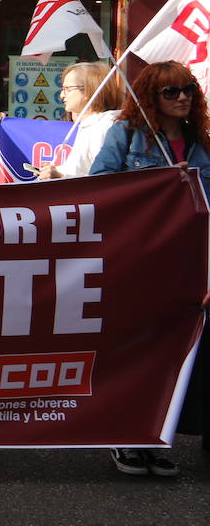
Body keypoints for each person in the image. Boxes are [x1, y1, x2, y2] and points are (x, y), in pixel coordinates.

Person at [89, 60, 210, 478]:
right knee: (133, 351)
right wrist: (156, 185)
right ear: (151, 97)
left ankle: (155, 437)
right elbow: (99, 188)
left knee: (170, 356)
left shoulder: (203, 143)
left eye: (188, 90)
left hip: (187, 267)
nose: (182, 99)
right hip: (137, 263)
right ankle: (125, 436)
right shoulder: (125, 135)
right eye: (171, 92)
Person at [37, 61, 123, 179]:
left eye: (68, 89)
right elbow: (82, 170)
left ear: (88, 91)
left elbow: (102, 179)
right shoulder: (90, 125)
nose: (62, 95)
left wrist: (60, 176)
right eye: (63, 88)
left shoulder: (103, 126)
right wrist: (56, 170)